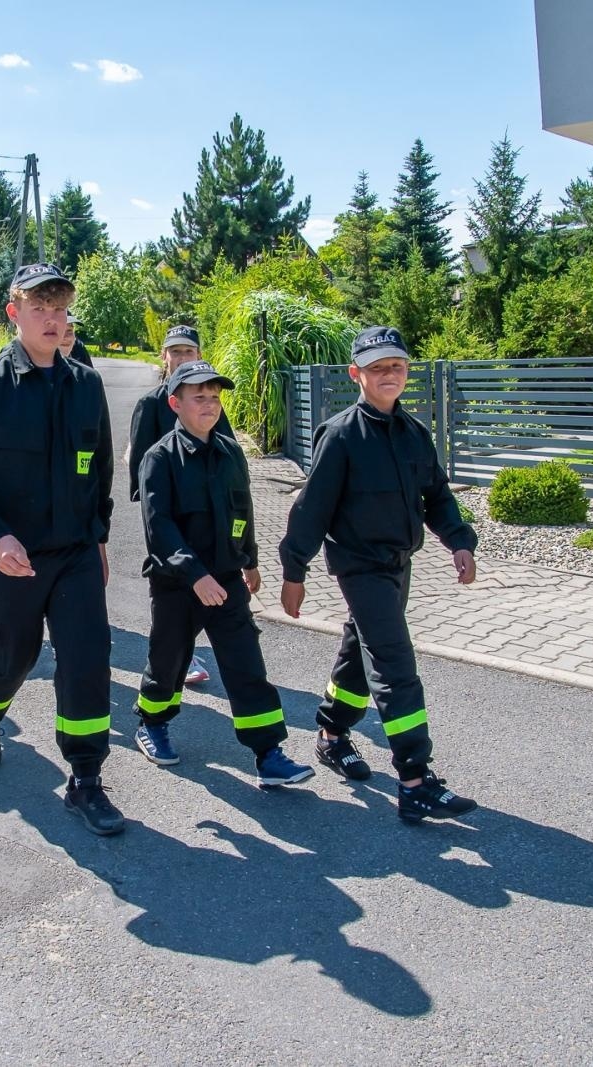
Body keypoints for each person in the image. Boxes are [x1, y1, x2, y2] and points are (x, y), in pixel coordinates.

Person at [0, 263, 122, 835]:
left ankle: (87, 778)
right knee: (14, 657)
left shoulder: (86, 385)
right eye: (39, 307)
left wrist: (97, 537)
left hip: (72, 552)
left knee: (87, 656)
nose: (52, 318)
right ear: (14, 313)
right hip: (10, 555)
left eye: (60, 307)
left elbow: (98, 474)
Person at [277, 326, 480, 823]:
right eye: (377, 367)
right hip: (358, 564)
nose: (390, 374)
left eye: (397, 366)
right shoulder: (341, 435)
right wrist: (293, 570)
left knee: (358, 652)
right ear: (356, 374)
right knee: (393, 663)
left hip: (397, 564)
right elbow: (311, 509)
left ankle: (330, 733)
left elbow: (437, 495)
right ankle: (414, 779)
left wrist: (459, 540)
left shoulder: (413, 433)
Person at [133, 360, 315, 787]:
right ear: (175, 403)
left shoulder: (231, 451)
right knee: (169, 661)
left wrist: (249, 561)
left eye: (215, 397)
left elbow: (242, 511)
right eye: (199, 397)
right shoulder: (158, 458)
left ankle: (269, 754)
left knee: (245, 663)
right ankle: (152, 723)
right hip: (178, 583)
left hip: (227, 579)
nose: (210, 405)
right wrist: (194, 574)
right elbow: (159, 527)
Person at [127, 324, 232, 687]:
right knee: (173, 590)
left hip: (206, 512)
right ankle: (176, 656)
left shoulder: (210, 401)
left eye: (189, 351)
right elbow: (139, 467)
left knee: (204, 582)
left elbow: (229, 455)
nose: (182, 357)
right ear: (164, 356)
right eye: (175, 351)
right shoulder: (151, 404)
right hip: (166, 512)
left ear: (199, 355)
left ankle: (187, 650)